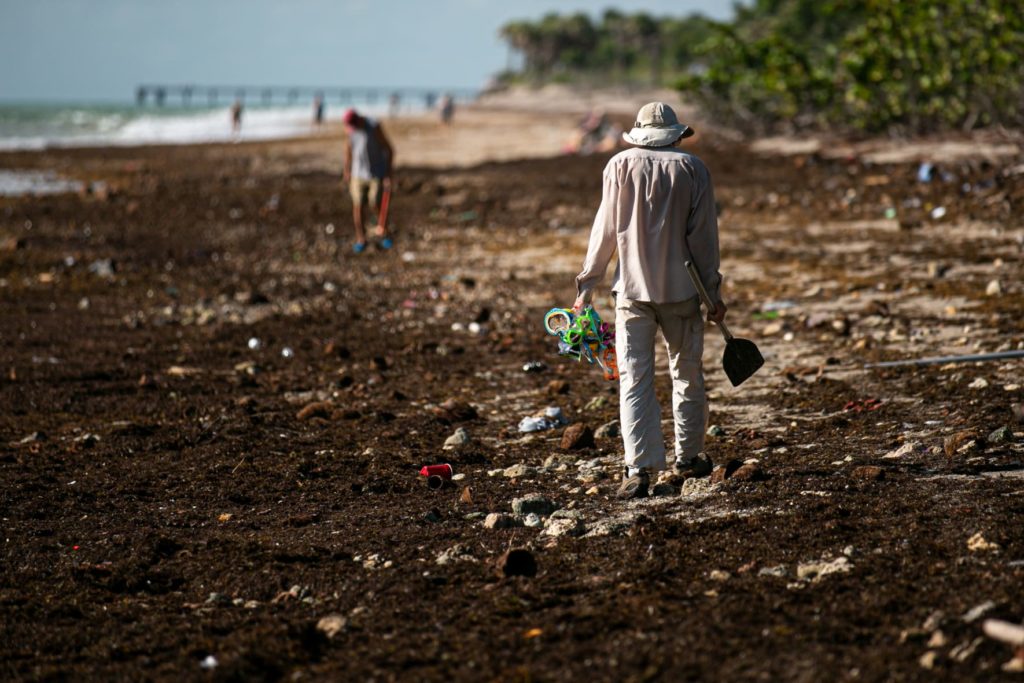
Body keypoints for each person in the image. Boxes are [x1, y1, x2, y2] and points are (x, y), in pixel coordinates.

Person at [572, 101, 727, 499]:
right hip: (684, 292)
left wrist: (587, 284)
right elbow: (704, 239)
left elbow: (604, 230)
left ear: (638, 132)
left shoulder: (619, 166)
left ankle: (638, 469)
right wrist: (714, 295)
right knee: (687, 374)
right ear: (675, 134)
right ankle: (689, 458)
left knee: (634, 379)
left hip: (632, 293)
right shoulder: (693, 169)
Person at [342, 108, 394, 253]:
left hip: (376, 173)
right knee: (358, 206)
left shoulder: (374, 127)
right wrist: (346, 170)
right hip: (357, 174)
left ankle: (384, 232)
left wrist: (389, 174)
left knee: (374, 203)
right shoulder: (350, 130)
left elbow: (389, 149)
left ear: (359, 119)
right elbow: (348, 150)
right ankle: (361, 238)